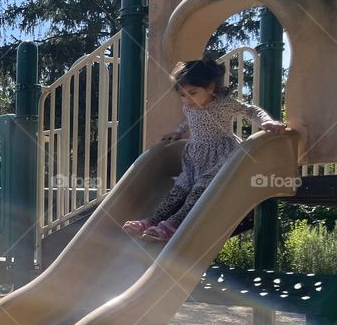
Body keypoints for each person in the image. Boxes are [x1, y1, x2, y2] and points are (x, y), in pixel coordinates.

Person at [123, 57, 287, 242]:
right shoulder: (190, 107)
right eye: (182, 95)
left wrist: (266, 121)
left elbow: (251, 110)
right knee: (177, 192)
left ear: (210, 87)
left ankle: (171, 225)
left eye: (192, 93)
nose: (187, 100)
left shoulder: (223, 103)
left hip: (219, 155)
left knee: (197, 193)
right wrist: (177, 133)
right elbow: (188, 121)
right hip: (195, 156)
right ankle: (151, 220)